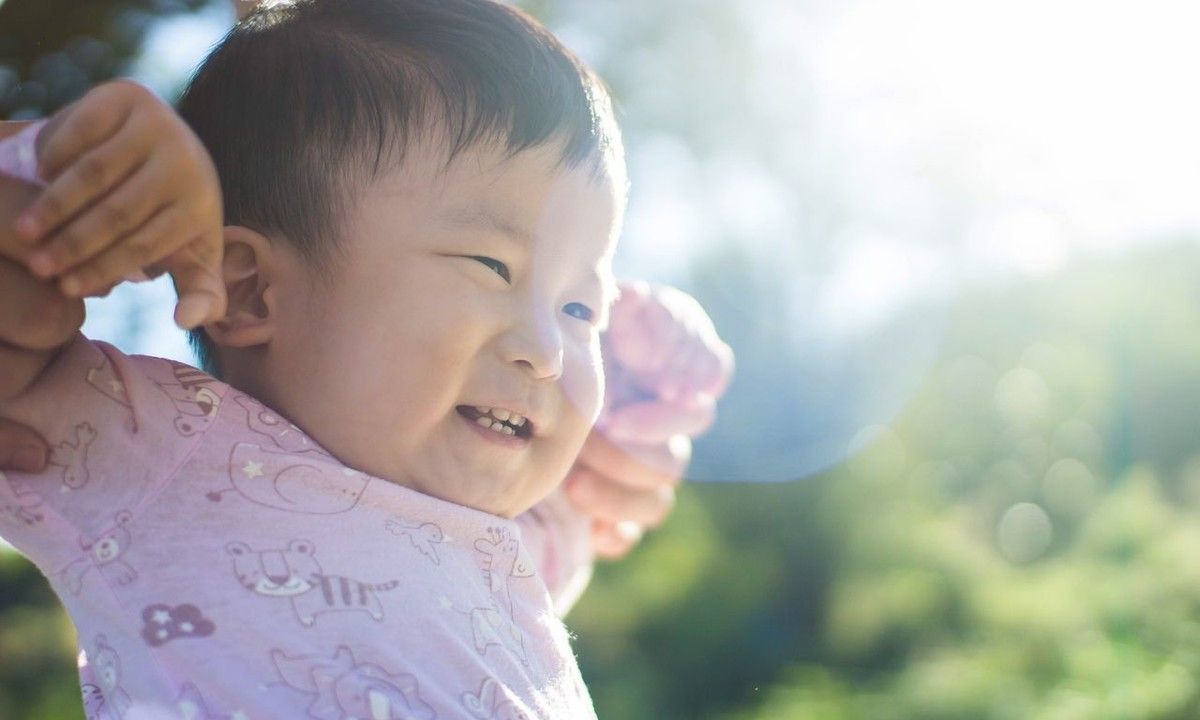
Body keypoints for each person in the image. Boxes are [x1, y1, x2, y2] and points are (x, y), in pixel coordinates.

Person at [0, 1, 732, 717]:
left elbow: (625, 442)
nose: (546, 351)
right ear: (253, 292)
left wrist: (658, 354)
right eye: (492, 265)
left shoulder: (513, 536)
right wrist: (59, 175)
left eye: (579, 308)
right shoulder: (158, 455)